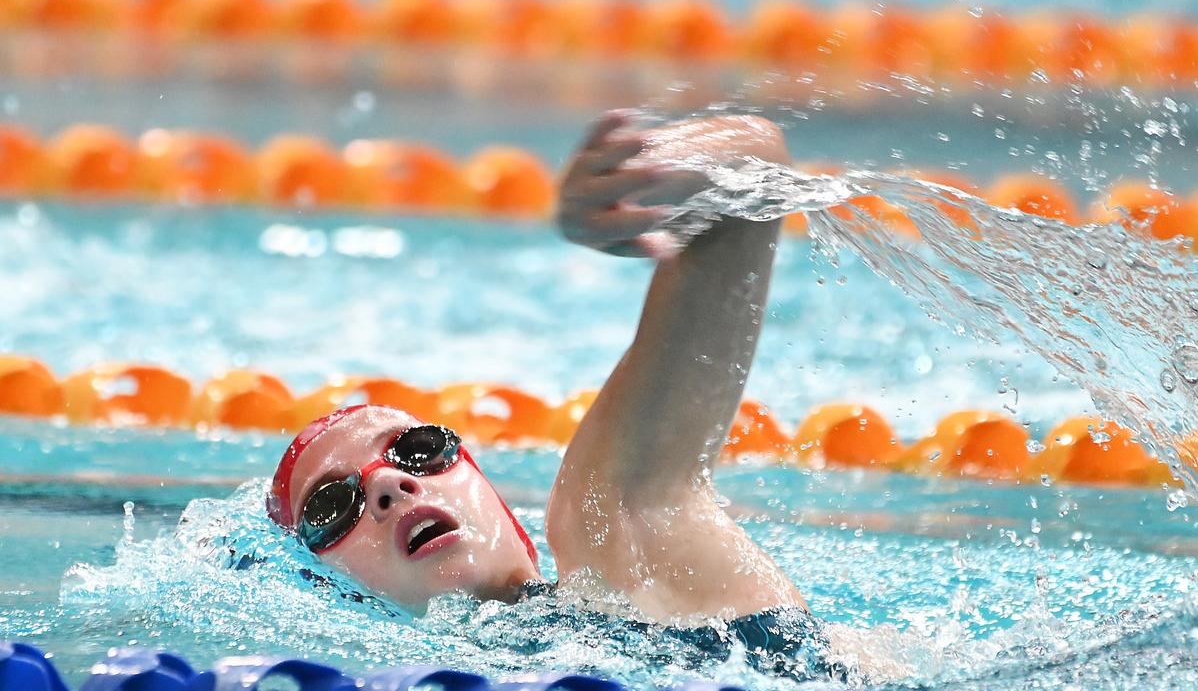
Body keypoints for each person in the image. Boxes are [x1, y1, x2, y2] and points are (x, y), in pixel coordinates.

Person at [264, 112, 901, 681]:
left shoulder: (615, 536)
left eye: (420, 450)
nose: (389, 487)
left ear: (501, 506)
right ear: (324, 587)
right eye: (332, 504)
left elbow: (751, 166)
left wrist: (642, 176)